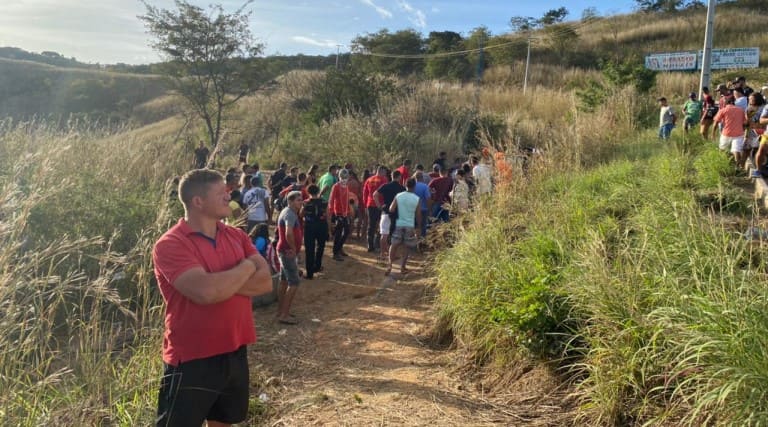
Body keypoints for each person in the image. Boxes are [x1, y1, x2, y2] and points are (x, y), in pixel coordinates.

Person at [152, 169, 272, 427]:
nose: (229, 195)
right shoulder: (171, 244)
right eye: (221, 193)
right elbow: (206, 293)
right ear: (198, 201)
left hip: (235, 350)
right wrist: (246, 267)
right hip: (192, 358)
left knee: (224, 422)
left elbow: (265, 282)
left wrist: (221, 283)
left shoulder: (236, 235)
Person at [276, 191, 304, 325]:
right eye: (298, 200)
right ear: (291, 201)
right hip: (287, 252)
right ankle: (284, 315)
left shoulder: (288, 212)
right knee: (294, 282)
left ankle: (281, 311)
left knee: (283, 281)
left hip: (284, 250)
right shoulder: (289, 214)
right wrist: (293, 249)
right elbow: (288, 233)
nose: (301, 202)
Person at [386, 178, 422, 276]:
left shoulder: (399, 196)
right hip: (409, 225)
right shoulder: (416, 198)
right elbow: (418, 214)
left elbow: (391, 209)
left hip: (399, 223)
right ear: (414, 186)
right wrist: (418, 226)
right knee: (407, 246)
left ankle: (389, 265)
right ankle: (402, 267)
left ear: (405, 185)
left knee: (394, 245)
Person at [373, 170, 405, 262]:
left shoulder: (385, 186)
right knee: (395, 235)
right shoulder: (402, 188)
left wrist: (379, 206)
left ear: (391, 176)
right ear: (399, 177)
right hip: (396, 213)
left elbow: (375, 194)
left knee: (384, 234)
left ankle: (382, 254)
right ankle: (393, 255)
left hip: (386, 211)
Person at [302, 184, 330, 279]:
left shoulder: (306, 202)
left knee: (309, 249)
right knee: (320, 247)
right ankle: (317, 266)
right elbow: (328, 216)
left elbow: (301, 214)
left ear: (308, 192)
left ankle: (309, 273)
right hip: (322, 226)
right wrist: (329, 229)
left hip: (310, 226)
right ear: (318, 191)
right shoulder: (324, 202)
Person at [713, 96, 748, 169]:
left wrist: (713, 133)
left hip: (726, 133)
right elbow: (745, 123)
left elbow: (716, 122)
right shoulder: (741, 110)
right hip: (738, 134)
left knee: (722, 149)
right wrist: (743, 131)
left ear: (726, 102)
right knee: (736, 150)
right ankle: (737, 167)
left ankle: (722, 165)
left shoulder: (723, 110)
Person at [328, 168, 353, 261]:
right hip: (337, 212)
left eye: (346, 177)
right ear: (339, 177)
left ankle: (339, 248)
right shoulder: (336, 186)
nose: (344, 178)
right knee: (338, 232)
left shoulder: (346, 186)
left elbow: (346, 199)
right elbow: (331, 198)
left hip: (345, 213)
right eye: (343, 176)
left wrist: (348, 211)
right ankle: (335, 252)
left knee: (346, 231)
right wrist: (331, 210)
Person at [362, 165, 388, 252]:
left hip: (370, 205)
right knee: (380, 225)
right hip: (380, 205)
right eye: (385, 172)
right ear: (381, 171)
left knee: (371, 225)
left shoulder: (369, 180)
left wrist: (365, 205)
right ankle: (377, 244)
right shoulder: (384, 180)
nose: (385, 174)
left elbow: (364, 194)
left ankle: (370, 245)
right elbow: (385, 194)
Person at [412, 171, 431, 237]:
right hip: (423, 209)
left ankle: (415, 240)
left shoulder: (412, 187)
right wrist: (429, 208)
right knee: (423, 226)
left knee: (415, 226)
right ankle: (422, 242)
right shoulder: (425, 186)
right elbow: (428, 198)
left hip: (414, 209)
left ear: (415, 178)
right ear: (422, 178)